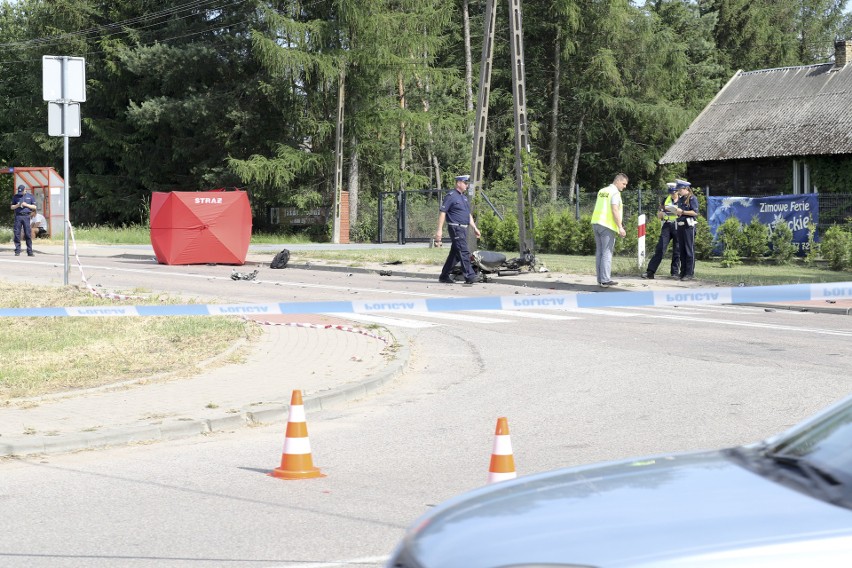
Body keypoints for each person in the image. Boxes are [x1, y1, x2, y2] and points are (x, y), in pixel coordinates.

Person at [436, 174, 481, 284]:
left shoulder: (464, 198)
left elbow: (468, 214)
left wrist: (474, 227)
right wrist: (439, 230)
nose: (467, 185)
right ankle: (470, 276)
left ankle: (444, 276)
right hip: (455, 228)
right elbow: (443, 212)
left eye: (467, 183)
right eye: (465, 183)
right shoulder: (451, 196)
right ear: (458, 183)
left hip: (463, 228)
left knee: (455, 253)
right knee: (464, 251)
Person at [590, 173, 628, 287]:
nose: (625, 186)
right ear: (617, 181)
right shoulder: (615, 193)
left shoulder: (602, 191)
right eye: (624, 183)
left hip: (596, 223)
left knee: (599, 252)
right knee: (607, 252)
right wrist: (620, 227)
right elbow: (614, 210)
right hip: (607, 225)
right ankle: (605, 279)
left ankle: (600, 279)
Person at [642, 182, 680, 279]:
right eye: (670, 192)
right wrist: (672, 211)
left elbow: (681, 213)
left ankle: (675, 273)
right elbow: (659, 215)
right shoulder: (665, 200)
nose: (671, 194)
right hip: (667, 226)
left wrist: (668, 211)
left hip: (678, 226)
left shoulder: (682, 200)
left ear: (678, 191)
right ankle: (650, 272)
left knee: (677, 250)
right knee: (660, 249)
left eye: (673, 192)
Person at [673, 179, 700, 280]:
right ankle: (683, 272)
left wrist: (683, 211)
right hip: (680, 225)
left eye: (679, 189)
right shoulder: (681, 199)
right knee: (682, 250)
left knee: (689, 250)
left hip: (689, 226)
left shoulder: (692, 198)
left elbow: (695, 212)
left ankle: (689, 273)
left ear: (685, 189)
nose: (678, 192)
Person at [10, 184, 36, 256]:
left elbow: (34, 207)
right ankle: (17, 251)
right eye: (19, 192)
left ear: (25, 190)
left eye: (22, 192)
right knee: (17, 233)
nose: (20, 193)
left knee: (27, 233)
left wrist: (26, 205)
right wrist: (17, 205)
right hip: (18, 216)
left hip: (26, 216)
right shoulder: (15, 197)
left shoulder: (30, 196)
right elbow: (12, 207)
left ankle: (30, 251)